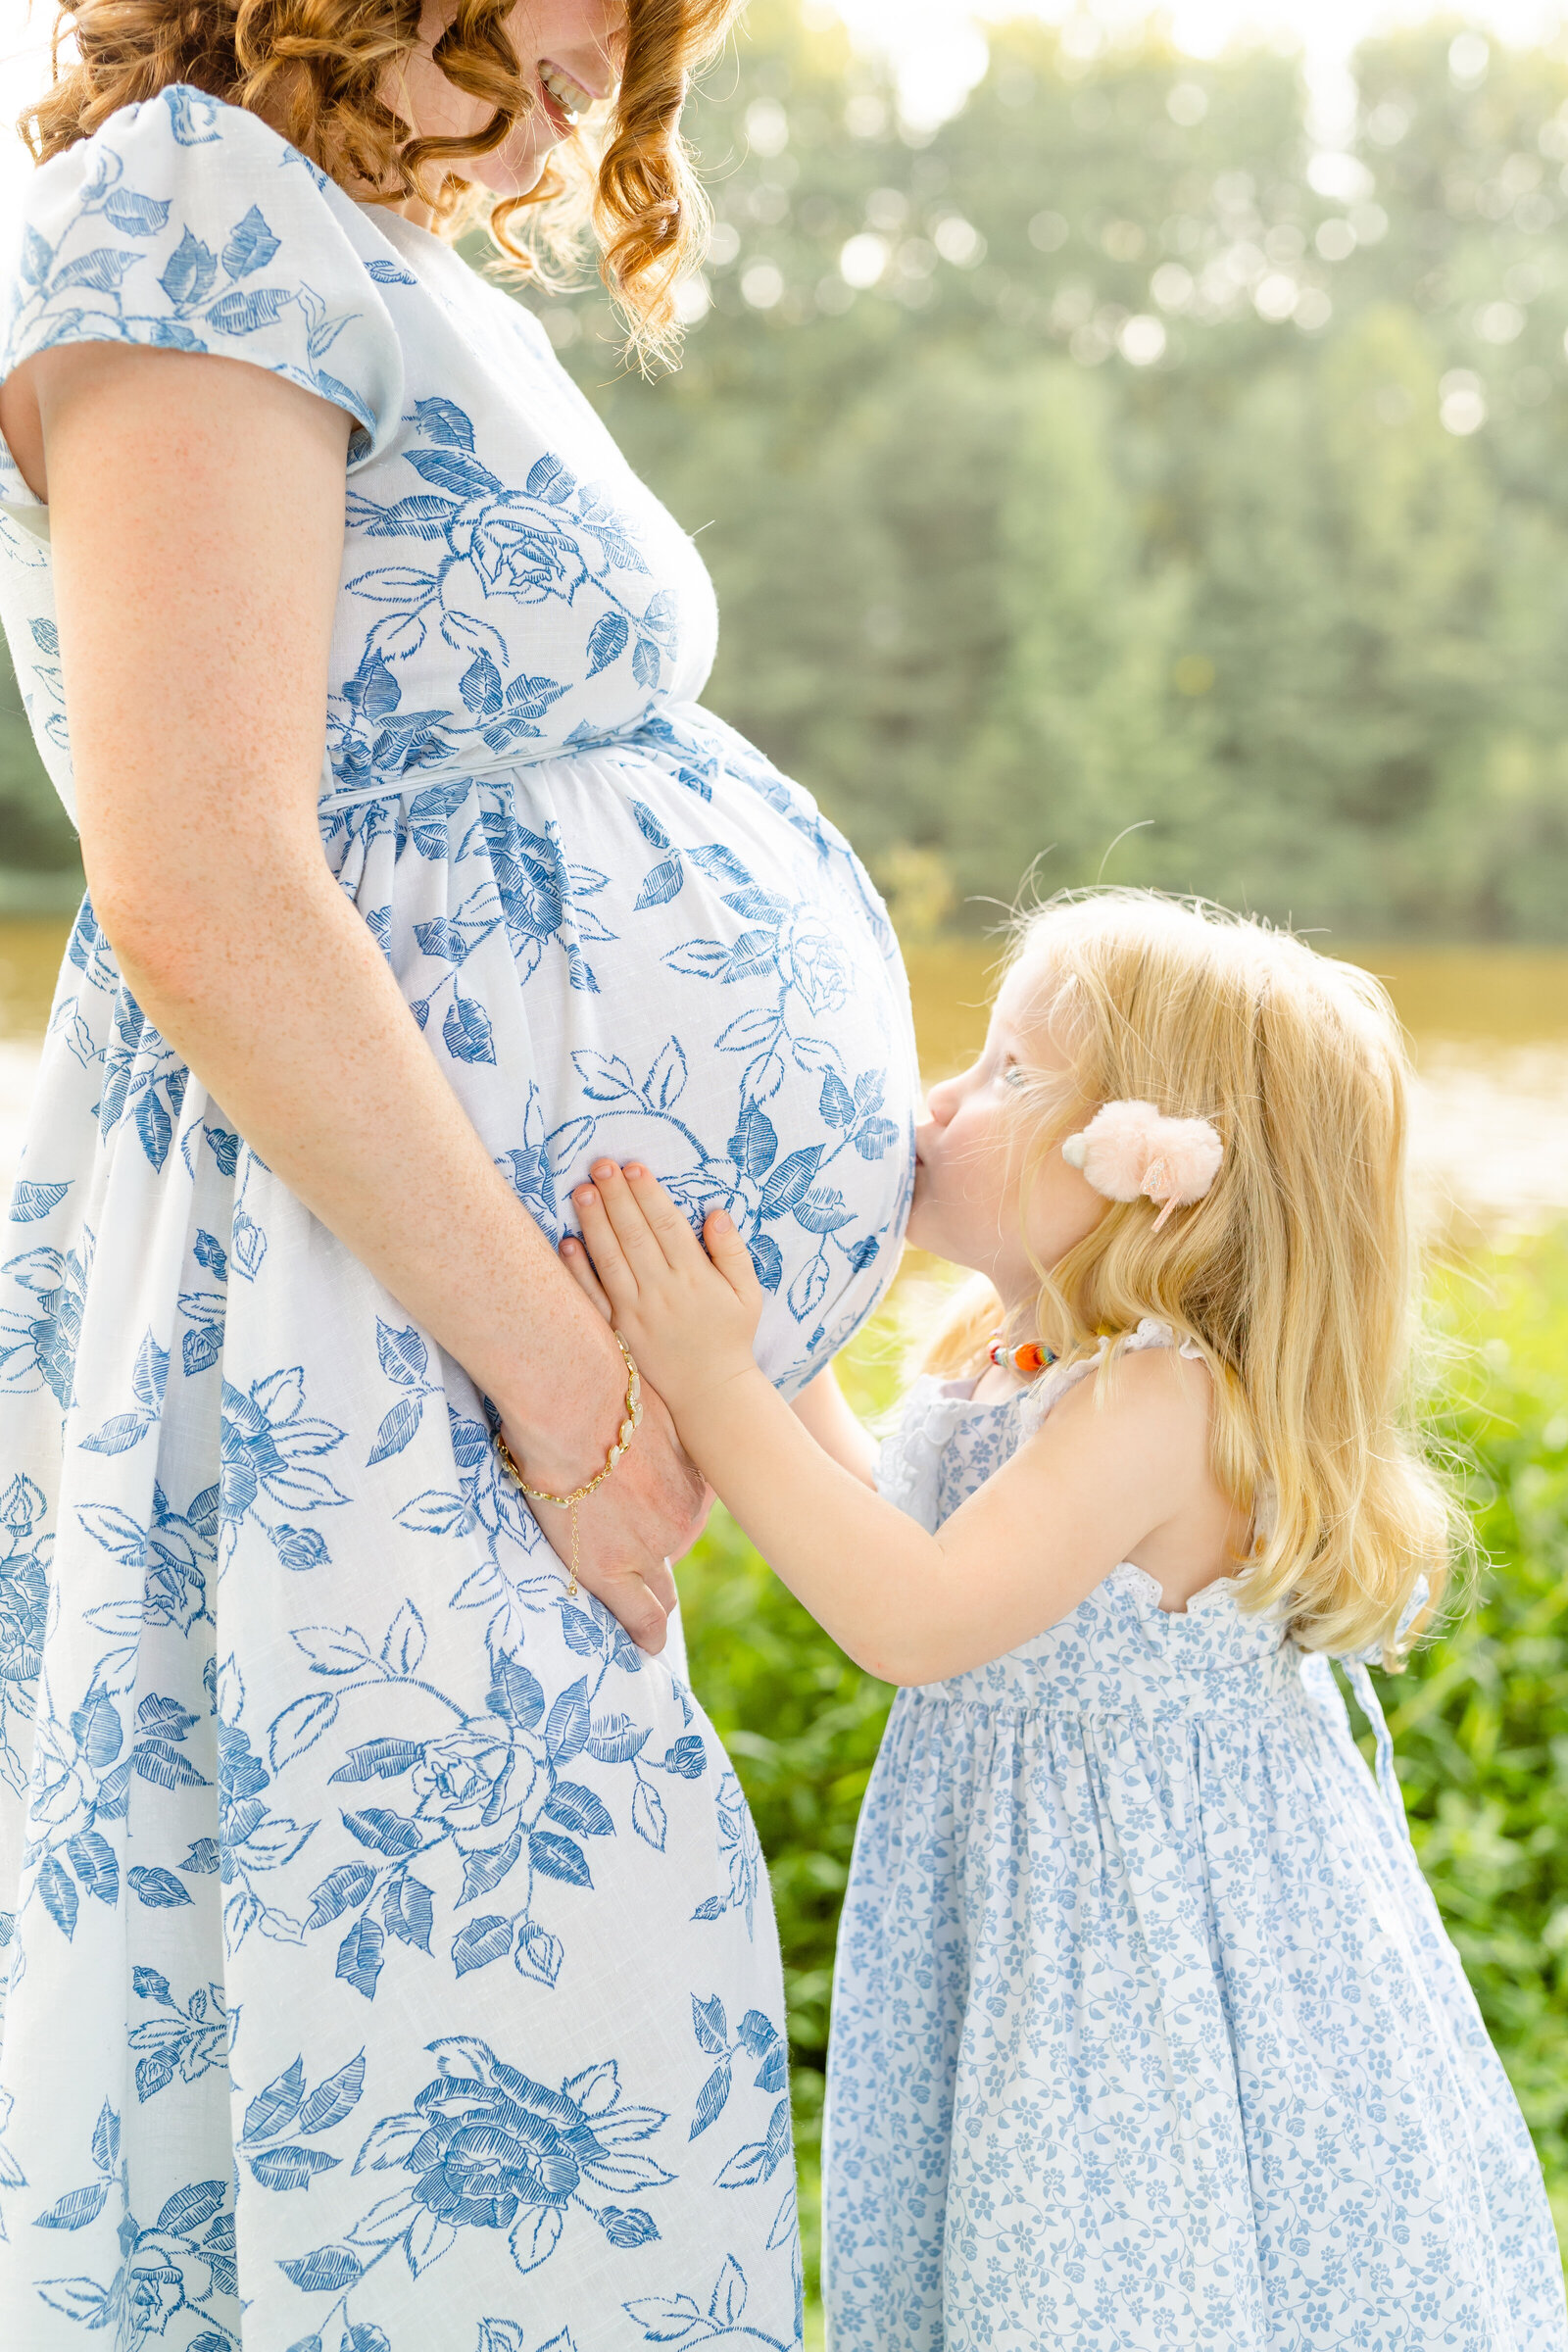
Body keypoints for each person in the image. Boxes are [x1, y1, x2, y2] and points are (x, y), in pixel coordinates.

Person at [0, 3, 918, 2342]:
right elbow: (198, 873)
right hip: (378, 1341)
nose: (605, 55)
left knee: (513, 2085)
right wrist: (588, 1408)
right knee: (453, 2114)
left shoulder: (323, 234)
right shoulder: (185, 210)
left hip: (450, 1338)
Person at [564, 888, 1568, 2352]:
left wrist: (714, 1384)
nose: (945, 1100)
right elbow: (891, 1538)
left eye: (1014, 1074)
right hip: (1036, 1905)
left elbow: (909, 1619)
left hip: (1134, 1945)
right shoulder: (1018, 1367)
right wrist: (771, 1353)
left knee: (1118, 2262)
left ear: (1164, 1172)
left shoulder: (1156, 1404)